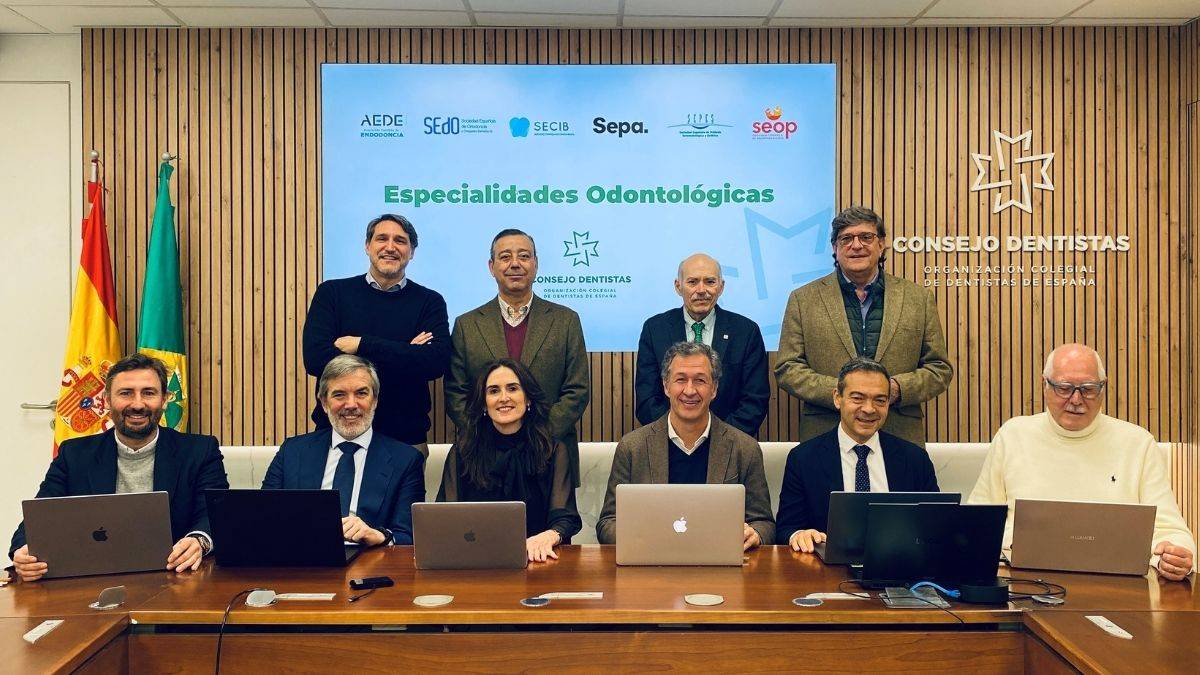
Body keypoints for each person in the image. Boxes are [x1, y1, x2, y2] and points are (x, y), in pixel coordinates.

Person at [969, 344, 1196, 581]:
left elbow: (1172, 531)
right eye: (1064, 388)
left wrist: (1175, 556)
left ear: (1103, 388)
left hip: (1119, 588)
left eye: (1088, 389)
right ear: (1044, 386)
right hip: (1023, 584)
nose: (1076, 400)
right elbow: (977, 522)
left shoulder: (1138, 443)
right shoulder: (1013, 436)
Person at [9, 353, 229, 581]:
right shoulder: (74, 455)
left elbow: (214, 513)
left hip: (175, 577)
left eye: (149, 393)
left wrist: (199, 540)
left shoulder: (199, 451)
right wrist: (23, 550)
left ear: (164, 399)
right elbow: (39, 515)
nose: (138, 404)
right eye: (126, 393)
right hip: (91, 578)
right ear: (106, 400)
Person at [774, 206, 952, 446]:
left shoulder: (918, 298)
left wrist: (893, 389)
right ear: (835, 248)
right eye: (846, 239)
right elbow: (787, 368)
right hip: (825, 434)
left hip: (899, 435)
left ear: (882, 244)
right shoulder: (803, 299)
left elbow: (939, 369)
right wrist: (845, 393)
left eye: (866, 237)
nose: (856, 245)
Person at [445, 229, 590, 485]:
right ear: (491, 267)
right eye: (505, 257)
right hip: (484, 459)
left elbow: (577, 390)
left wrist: (537, 435)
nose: (515, 264)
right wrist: (489, 435)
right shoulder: (467, 325)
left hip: (550, 454)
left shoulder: (565, 320)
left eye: (524, 256)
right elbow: (456, 393)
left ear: (536, 264)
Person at [597, 341, 774, 548]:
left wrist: (755, 534)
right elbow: (607, 523)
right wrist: (645, 537)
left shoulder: (745, 449)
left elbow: (764, 524)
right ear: (666, 386)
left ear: (714, 388)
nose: (689, 390)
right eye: (680, 380)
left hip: (719, 562)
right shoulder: (632, 448)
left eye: (700, 380)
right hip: (652, 561)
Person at [303, 213, 450, 457]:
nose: (390, 247)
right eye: (382, 239)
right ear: (367, 246)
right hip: (338, 436)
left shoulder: (429, 301)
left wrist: (361, 344)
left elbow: (434, 363)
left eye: (400, 241)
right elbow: (316, 359)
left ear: (412, 251)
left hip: (405, 441)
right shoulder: (332, 293)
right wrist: (406, 352)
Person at [776, 357, 939, 552]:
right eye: (858, 398)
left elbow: (936, 525)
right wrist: (800, 535)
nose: (869, 409)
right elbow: (786, 529)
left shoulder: (915, 459)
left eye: (880, 400)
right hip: (827, 566)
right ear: (837, 398)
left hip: (898, 565)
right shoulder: (804, 459)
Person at [262, 355, 425, 546]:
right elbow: (263, 517)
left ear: (375, 400)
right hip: (302, 557)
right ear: (324, 402)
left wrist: (380, 536)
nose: (351, 405)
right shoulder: (292, 452)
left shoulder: (405, 460)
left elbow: (409, 535)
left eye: (361, 393)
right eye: (339, 395)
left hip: (370, 559)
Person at [438, 358, 581, 562]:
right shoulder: (462, 452)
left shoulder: (553, 450)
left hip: (537, 560)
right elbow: (444, 519)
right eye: (493, 391)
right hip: (475, 561)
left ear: (528, 398)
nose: (504, 398)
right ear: (484, 403)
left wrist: (549, 536)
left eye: (512, 388)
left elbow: (565, 518)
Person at [635, 253, 769, 436]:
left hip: (730, 443)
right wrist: (678, 436)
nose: (701, 290)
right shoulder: (655, 329)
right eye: (692, 282)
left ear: (721, 287)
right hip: (668, 442)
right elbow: (647, 398)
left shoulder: (746, 331)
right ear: (678, 286)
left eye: (710, 282)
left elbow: (755, 400)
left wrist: (719, 439)